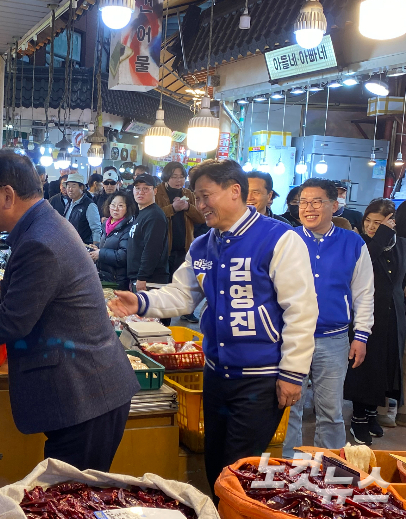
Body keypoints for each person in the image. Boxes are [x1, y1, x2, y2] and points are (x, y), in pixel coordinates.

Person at [109, 159, 318, 493]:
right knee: (215, 461)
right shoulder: (204, 245)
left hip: (260, 378)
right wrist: (142, 302)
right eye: (197, 197)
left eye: (206, 196)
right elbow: (184, 293)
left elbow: (301, 310)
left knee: (238, 469)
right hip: (216, 373)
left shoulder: (279, 239)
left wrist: (293, 373)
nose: (200, 205)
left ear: (235, 191)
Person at [0, 150, 139, 471]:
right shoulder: (41, 225)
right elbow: (23, 292)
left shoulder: (40, 241)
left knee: (71, 500)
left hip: (87, 395)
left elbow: (14, 322)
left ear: (7, 196)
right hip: (85, 390)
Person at [283, 178, 374, 457]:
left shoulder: (353, 242)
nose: (308, 208)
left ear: (334, 206)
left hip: (334, 340)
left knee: (331, 411)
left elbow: (364, 293)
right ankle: (289, 468)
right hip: (291, 338)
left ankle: (332, 472)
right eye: (303, 202)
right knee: (290, 408)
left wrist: (361, 336)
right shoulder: (287, 240)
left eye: (316, 202)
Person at [344, 198, 406, 442]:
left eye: (378, 222)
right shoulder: (361, 245)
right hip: (367, 314)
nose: (371, 226)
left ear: (392, 221)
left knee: (386, 364)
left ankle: (371, 414)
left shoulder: (401, 245)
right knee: (365, 366)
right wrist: (380, 235)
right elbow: (361, 267)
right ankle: (357, 418)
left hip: (394, 314)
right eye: (368, 221)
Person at [155, 162, 205, 323]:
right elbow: (154, 217)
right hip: (164, 247)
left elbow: (201, 218)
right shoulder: (158, 192)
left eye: (181, 177)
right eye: (174, 176)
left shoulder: (188, 194)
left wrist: (188, 207)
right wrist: (173, 208)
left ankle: (187, 311)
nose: (178, 180)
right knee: (165, 285)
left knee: (184, 284)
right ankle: (164, 319)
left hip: (184, 247)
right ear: (166, 177)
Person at [126, 174, 170, 291]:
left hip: (150, 281)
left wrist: (142, 277)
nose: (141, 192)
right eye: (137, 188)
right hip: (139, 278)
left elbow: (152, 249)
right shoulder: (142, 213)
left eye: (146, 188)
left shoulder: (155, 216)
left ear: (155, 191)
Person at [90, 190, 136, 290]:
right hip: (104, 277)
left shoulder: (128, 228)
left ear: (127, 208)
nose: (115, 209)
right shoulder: (106, 225)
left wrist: (100, 254)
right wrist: (97, 247)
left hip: (117, 280)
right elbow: (109, 245)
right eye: (113, 205)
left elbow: (123, 256)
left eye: (120, 206)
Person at [64, 173, 102, 245]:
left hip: (83, 246)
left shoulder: (89, 205)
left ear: (81, 187)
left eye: (73, 186)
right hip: (69, 245)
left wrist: (95, 247)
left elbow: (96, 229)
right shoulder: (68, 203)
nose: (70, 189)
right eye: (68, 186)